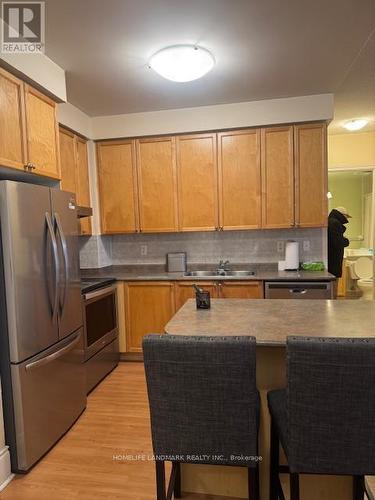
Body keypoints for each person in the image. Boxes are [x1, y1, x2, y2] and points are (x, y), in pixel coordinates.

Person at [328, 206, 351, 296]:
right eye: (346, 217)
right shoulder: (335, 223)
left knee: (332, 285)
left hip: (330, 259)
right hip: (333, 260)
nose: (346, 219)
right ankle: (333, 305)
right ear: (342, 215)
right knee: (333, 286)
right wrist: (346, 241)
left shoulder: (330, 221)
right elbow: (338, 242)